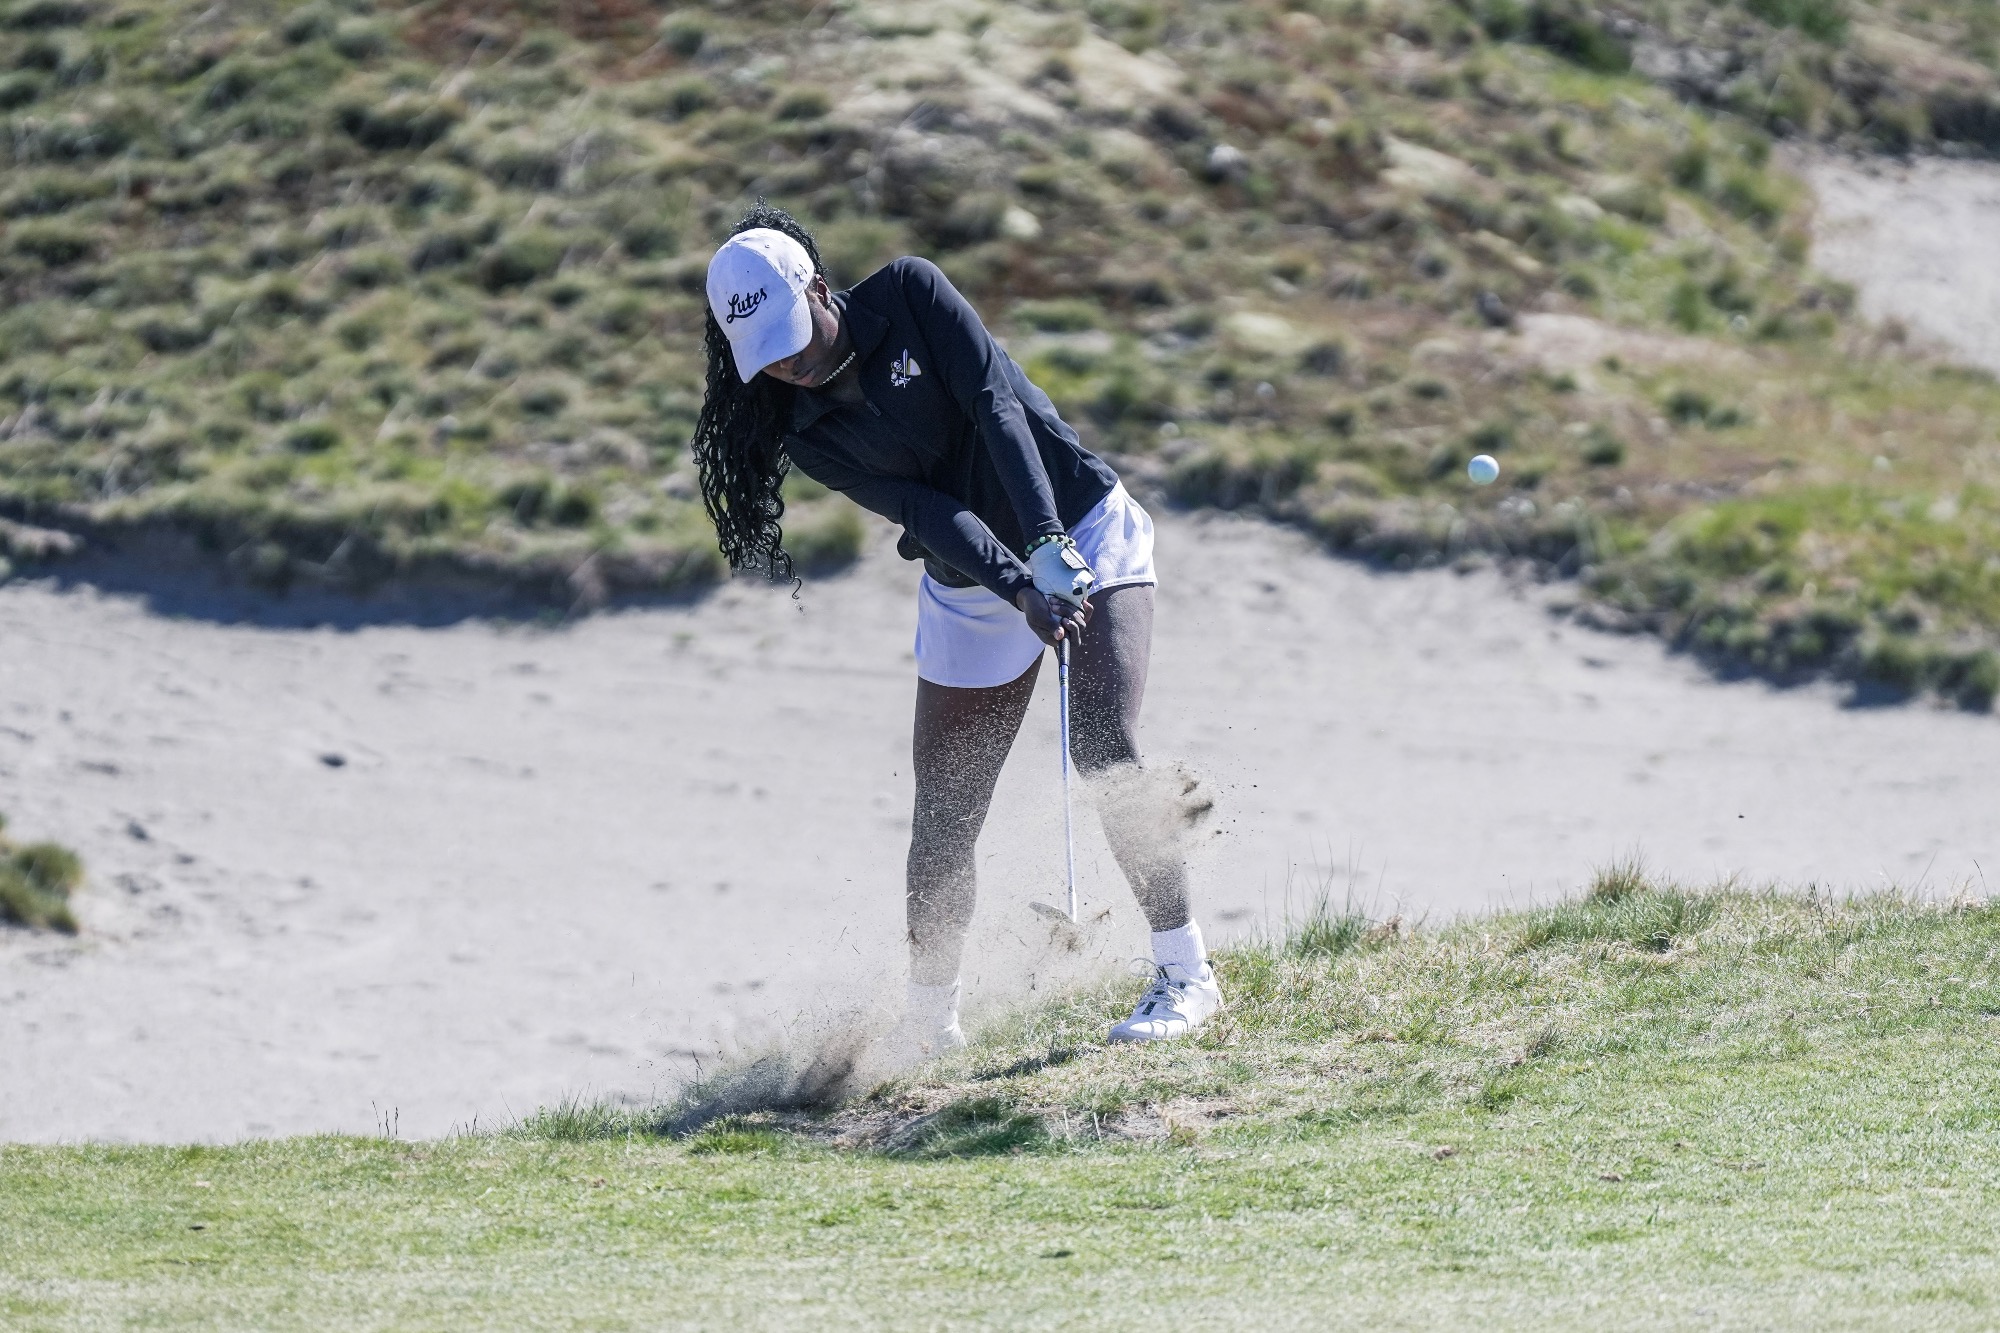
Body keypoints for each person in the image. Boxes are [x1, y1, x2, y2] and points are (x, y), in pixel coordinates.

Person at [689, 203, 1220, 1055]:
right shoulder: (805, 431)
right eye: (767, 355)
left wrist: (1047, 543)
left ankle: (1185, 975)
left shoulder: (910, 292)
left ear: (820, 290)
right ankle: (929, 1026)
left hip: (1079, 521)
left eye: (793, 334)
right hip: (973, 583)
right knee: (943, 819)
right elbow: (925, 509)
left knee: (1102, 743)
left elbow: (997, 410)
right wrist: (1018, 586)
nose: (787, 364)